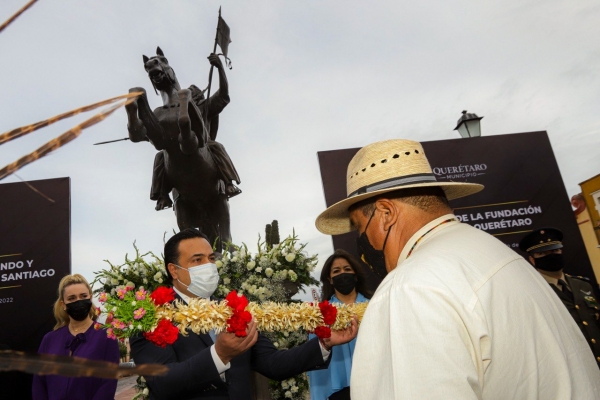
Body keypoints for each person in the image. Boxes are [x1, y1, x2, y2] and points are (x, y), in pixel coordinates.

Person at [315, 138, 600, 399]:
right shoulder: (492, 250)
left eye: (361, 227)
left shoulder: (410, 286)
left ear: (386, 213)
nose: (363, 242)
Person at [130, 228, 358, 400]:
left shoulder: (233, 310)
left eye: (211, 259)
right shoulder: (151, 317)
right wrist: (219, 355)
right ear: (174, 270)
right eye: (197, 260)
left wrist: (323, 344)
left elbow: (272, 363)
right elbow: (162, 382)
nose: (208, 266)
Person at [519, 227, 600, 368]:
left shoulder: (583, 285)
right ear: (532, 260)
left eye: (555, 250)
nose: (552, 255)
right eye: (542, 253)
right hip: (574, 368)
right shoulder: (533, 292)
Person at [32, 274, 119, 400]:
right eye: (72, 298)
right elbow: (39, 384)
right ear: (63, 304)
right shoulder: (49, 340)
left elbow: (108, 384)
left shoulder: (106, 335)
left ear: (90, 297)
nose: (78, 301)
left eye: (83, 296)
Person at [308, 249, 372, 400]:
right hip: (338, 392)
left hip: (375, 382)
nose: (343, 273)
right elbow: (315, 362)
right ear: (330, 279)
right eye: (336, 271)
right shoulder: (320, 316)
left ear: (355, 276)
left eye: (347, 269)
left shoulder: (374, 306)